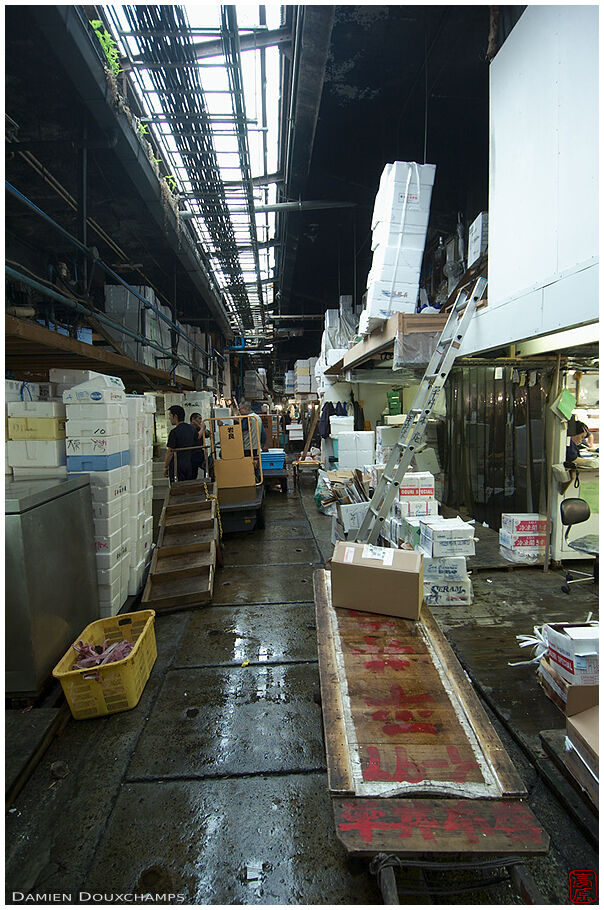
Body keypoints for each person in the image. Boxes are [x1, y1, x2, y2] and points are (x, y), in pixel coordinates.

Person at [164, 405, 197, 481]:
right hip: (189, 464)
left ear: (175, 416)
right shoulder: (191, 429)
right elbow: (198, 437)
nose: (169, 418)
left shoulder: (174, 432)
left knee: (177, 489)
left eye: (170, 415)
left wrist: (165, 467)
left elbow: (170, 452)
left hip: (177, 467)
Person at [189, 412, 207, 479]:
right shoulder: (189, 428)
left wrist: (200, 427)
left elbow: (207, 434)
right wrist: (202, 428)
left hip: (200, 453)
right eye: (199, 418)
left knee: (208, 466)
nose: (200, 421)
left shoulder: (199, 429)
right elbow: (197, 437)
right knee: (193, 473)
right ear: (193, 419)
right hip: (192, 454)